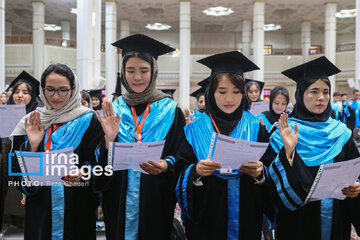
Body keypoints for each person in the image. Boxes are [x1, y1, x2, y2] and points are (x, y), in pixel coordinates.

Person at [94, 34, 186, 240]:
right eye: (130, 70)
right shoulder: (114, 108)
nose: (137, 77)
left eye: (144, 70)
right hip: (117, 198)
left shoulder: (170, 109)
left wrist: (166, 164)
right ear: (123, 73)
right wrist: (108, 140)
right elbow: (100, 165)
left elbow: (181, 154)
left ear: (153, 71)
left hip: (156, 197)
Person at [176, 51, 272, 239]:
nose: (229, 99)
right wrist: (195, 172)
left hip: (247, 218)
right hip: (207, 221)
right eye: (222, 92)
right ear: (211, 91)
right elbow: (179, 171)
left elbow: (271, 169)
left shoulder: (256, 127)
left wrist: (260, 174)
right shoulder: (194, 130)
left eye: (236, 92)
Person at [263, 56, 360, 240]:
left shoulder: (341, 133)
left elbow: (355, 173)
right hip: (297, 224)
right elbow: (270, 189)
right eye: (314, 91)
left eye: (325, 91)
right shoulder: (283, 133)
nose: (321, 97)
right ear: (300, 94)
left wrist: (357, 187)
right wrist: (289, 153)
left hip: (337, 222)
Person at [10, 64, 103, 240]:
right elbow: (16, 171)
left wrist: (83, 172)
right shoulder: (31, 121)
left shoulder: (89, 120)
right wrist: (33, 146)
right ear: (42, 90)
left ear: (73, 89)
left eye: (63, 90)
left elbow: (99, 161)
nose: (56, 96)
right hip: (41, 207)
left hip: (77, 205)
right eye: (50, 90)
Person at [1, 71, 43, 232]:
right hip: (5, 168)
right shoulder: (4, 113)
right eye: (17, 91)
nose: (20, 95)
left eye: (25, 92)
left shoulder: (39, 115)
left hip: (29, 170)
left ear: (32, 96)